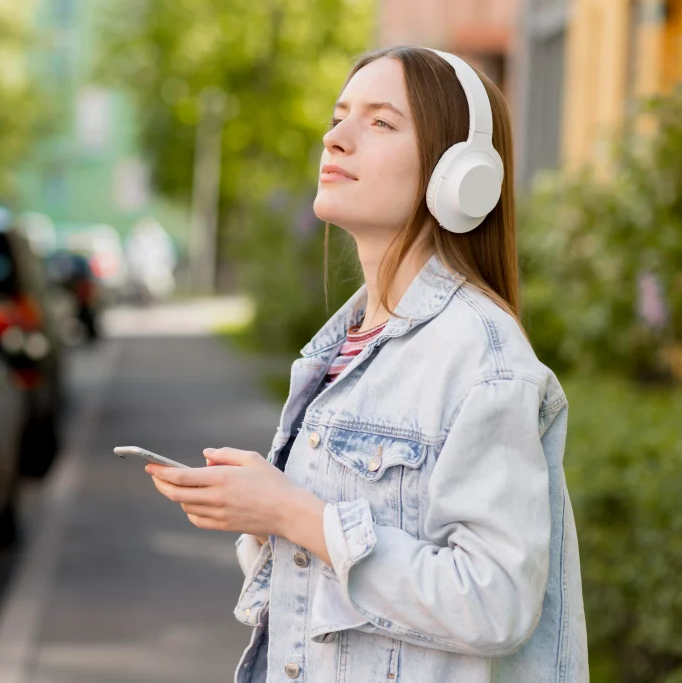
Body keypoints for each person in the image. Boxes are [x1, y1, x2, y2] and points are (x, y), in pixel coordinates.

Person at [145, 46, 588, 682]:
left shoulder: (480, 355)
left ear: (461, 174)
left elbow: (496, 602)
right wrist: (260, 517)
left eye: (380, 122)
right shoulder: (338, 349)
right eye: (338, 116)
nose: (337, 137)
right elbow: (325, 599)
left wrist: (290, 513)